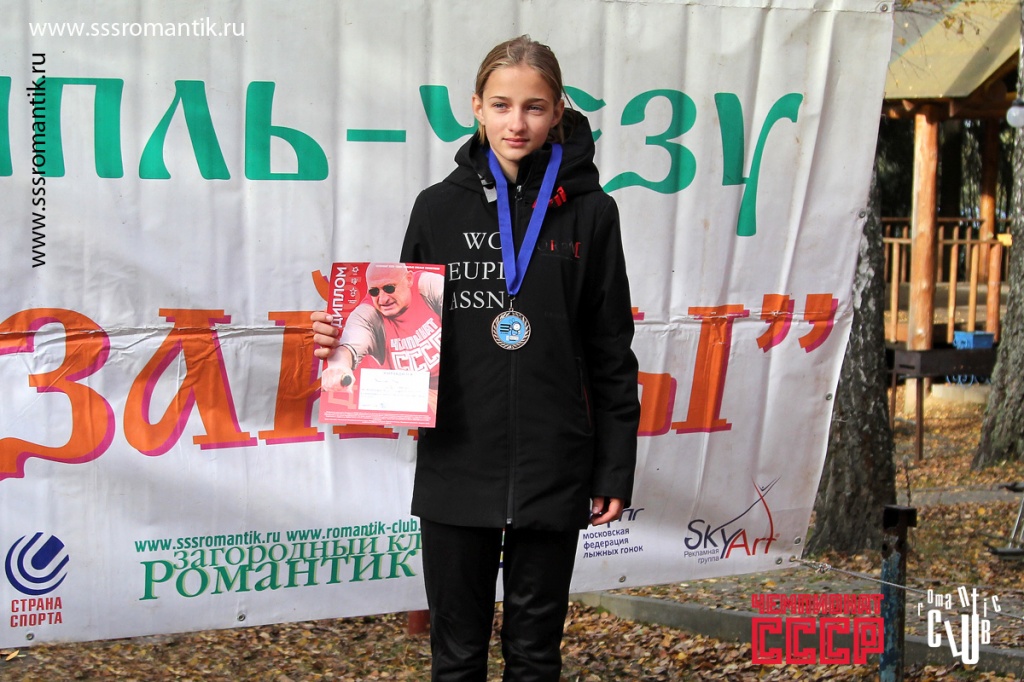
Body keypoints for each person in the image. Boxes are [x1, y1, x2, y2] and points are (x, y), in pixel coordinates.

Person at [313, 35, 639, 682]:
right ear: (477, 108)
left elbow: (610, 350)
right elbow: (400, 327)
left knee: (535, 657)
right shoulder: (438, 207)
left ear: (558, 111)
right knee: (456, 657)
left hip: (553, 463)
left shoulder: (593, 215)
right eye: (501, 105)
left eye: (535, 107)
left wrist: (613, 468)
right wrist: (345, 340)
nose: (517, 122)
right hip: (458, 461)